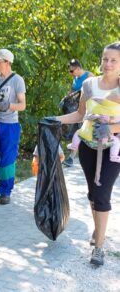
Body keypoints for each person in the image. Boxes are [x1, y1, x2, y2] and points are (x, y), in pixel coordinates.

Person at [46, 41, 120, 266]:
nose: (107, 64)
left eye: (113, 60)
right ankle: (98, 231)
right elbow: (79, 115)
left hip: (112, 149)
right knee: (92, 193)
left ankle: (99, 246)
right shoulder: (88, 85)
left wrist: (112, 128)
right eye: (105, 59)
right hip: (88, 146)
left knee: (102, 194)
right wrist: (54, 120)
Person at [0, 49, 26, 205]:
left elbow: (23, 105)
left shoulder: (17, 80)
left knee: (8, 159)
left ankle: (5, 192)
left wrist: (8, 105)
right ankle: (1, 179)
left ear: (7, 62)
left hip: (10, 125)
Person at [62, 59, 94, 167]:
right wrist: (65, 99)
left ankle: (90, 155)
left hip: (87, 109)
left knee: (83, 131)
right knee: (77, 132)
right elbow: (72, 91)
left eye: (72, 71)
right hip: (76, 109)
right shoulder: (76, 78)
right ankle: (71, 158)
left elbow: (93, 94)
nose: (70, 73)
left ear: (78, 68)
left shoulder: (89, 76)